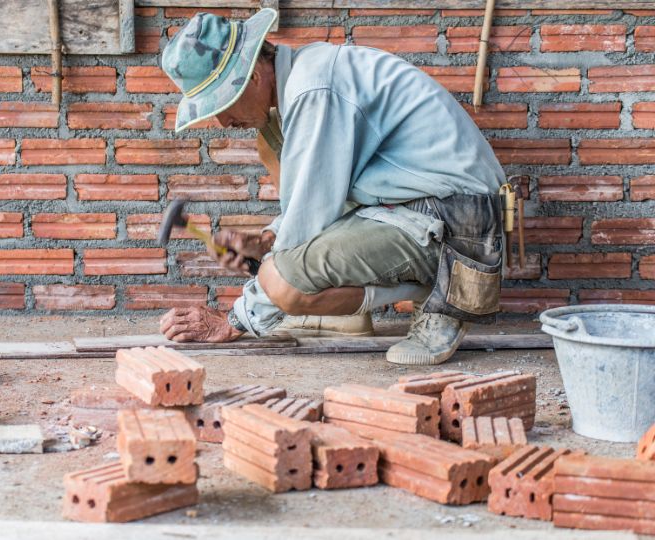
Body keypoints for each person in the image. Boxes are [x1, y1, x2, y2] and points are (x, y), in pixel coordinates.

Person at [157, 8, 506, 365]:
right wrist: (266, 241)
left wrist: (235, 320)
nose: (223, 121)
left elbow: (308, 222)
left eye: (222, 104)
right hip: (414, 206)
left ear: (253, 77)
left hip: (460, 225)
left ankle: (447, 296)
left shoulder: (313, 90)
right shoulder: (305, 78)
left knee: (282, 283)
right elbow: (315, 198)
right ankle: (365, 306)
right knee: (271, 147)